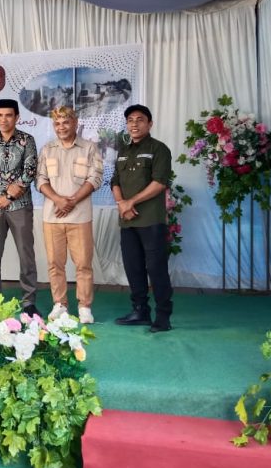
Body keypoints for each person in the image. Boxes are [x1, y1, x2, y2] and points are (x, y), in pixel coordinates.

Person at [36, 106, 103, 323]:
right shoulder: (47, 149)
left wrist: (72, 201)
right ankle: (60, 305)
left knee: (83, 263)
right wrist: (58, 200)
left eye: (65, 122)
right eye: (57, 123)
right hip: (52, 217)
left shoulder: (89, 148)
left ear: (75, 123)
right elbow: (40, 179)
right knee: (55, 263)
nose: (61, 127)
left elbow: (95, 178)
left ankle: (84, 307)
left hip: (80, 217)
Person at [110, 104, 174, 332]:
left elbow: (159, 183)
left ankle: (163, 316)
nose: (134, 124)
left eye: (140, 120)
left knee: (156, 269)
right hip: (128, 220)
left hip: (151, 220)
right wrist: (121, 204)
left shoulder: (159, 149)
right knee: (133, 268)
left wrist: (131, 202)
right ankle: (140, 311)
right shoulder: (123, 150)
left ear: (150, 124)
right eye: (130, 120)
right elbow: (114, 181)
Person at [0, 98, 39, 315]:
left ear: (16, 117)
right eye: (0, 115)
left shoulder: (27, 140)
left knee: (26, 254)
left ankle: (29, 303)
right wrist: (6, 192)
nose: (3, 119)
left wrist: (11, 195)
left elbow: (30, 170)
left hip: (20, 206)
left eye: (8, 115)